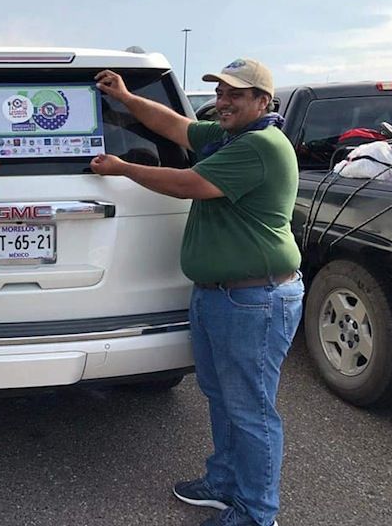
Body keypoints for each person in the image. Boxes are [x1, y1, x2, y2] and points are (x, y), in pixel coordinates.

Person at [91, 59, 303, 526]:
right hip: (220, 294)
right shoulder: (228, 135)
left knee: (250, 408)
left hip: (254, 299)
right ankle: (224, 482)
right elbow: (176, 124)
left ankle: (256, 512)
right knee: (222, 396)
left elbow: (190, 184)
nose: (223, 102)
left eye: (236, 95)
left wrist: (123, 167)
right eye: (221, 92)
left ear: (263, 102)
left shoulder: (261, 145)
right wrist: (126, 99)